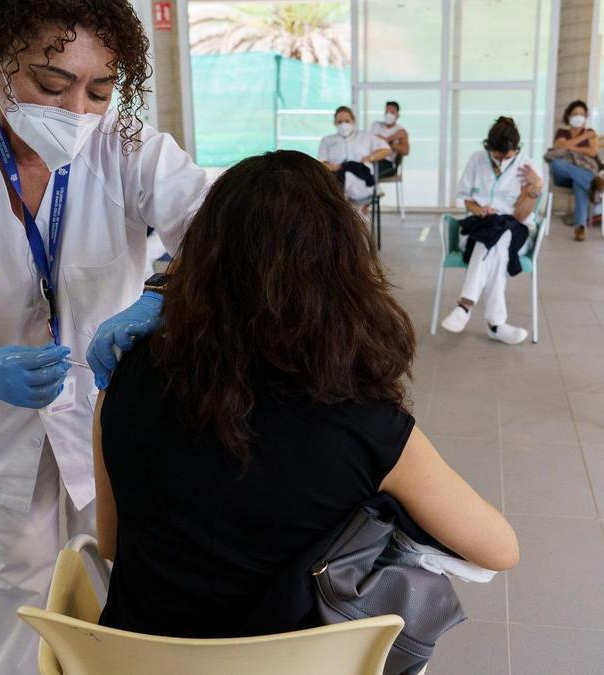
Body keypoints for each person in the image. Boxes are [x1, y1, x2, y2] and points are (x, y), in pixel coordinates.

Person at [0, 2, 208, 672]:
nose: (79, 111)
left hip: (110, 400)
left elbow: (220, 234)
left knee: (118, 552)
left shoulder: (131, 145)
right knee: (16, 562)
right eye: (53, 85)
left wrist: (162, 297)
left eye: (100, 89)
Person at [93, 150, 519, 638]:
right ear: (342, 269)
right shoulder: (367, 428)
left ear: (202, 256)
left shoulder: (123, 378)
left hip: (133, 660)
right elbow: (500, 549)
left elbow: (110, 541)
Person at [440, 117, 543, 345]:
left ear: (516, 150)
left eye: (507, 157)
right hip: (480, 223)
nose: (501, 161)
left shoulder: (528, 168)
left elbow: (519, 217)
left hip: (515, 229)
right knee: (496, 241)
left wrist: (534, 190)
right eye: (496, 156)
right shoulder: (476, 160)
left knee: (501, 234)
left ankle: (465, 305)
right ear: (488, 147)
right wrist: (479, 210)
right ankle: (496, 325)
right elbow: (467, 199)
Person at [545, 100, 604, 241]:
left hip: (583, 171)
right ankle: (592, 182)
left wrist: (569, 146)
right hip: (563, 176)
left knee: (579, 184)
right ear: (568, 116)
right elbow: (559, 147)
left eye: (582, 114)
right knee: (556, 164)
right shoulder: (562, 132)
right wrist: (583, 138)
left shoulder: (591, 133)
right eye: (575, 114)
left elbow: (592, 152)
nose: (579, 117)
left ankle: (580, 228)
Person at [318, 105, 390, 203]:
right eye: (339, 122)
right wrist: (333, 167)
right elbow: (321, 164)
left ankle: (360, 209)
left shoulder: (365, 137)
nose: (343, 124)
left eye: (347, 121)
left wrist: (369, 158)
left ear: (353, 121)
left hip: (362, 180)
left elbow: (386, 150)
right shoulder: (327, 140)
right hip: (337, 179)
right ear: (335, 123)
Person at [369, 100, 409, 178]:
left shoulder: (401, 131)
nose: (388, 114)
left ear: (397, 115)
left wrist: (387, 142)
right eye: (386, 111)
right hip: (371, 159)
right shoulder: (376, 125)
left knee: (368, 174)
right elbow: (372, 144)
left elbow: (405, 151)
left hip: (387, 163)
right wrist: (392, 138)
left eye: (392, 112)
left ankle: (373, 189)